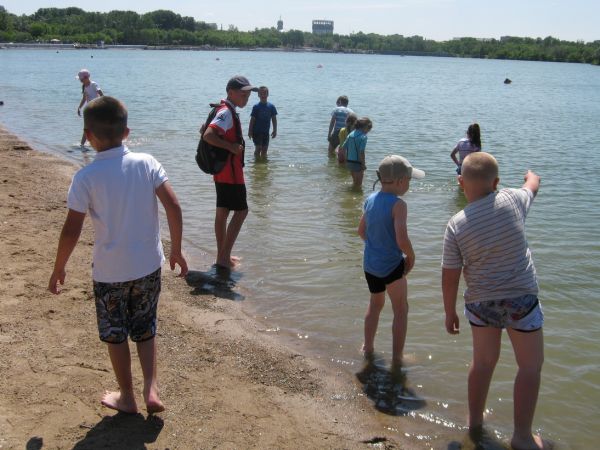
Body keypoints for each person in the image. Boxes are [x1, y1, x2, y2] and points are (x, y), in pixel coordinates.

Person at [48, 96, 188, 415]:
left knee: (115, 335)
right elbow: (174, 206)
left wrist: (59, 268)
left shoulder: (86, 177)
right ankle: (151, 388)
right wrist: (176, 249)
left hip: (110, 272)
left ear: (88, 136)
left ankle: (127, 396)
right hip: (148, 266)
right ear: (127, 132)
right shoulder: (147, 163)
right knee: (145, 328)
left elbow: (71, 230)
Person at [441, 152, 546, 450]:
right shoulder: (512, 199)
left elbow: (450, 274)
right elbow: (532, 186)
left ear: (461, 182)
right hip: (521, 301)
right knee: (529, 366)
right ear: (496, 182)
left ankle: (474, 423)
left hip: (481, 303)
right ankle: (522, 436)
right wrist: (531, 175)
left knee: (483, 363)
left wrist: (449, 312)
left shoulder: (456, 224)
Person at [358, 155, 425, 366]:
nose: (409, 185)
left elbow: (361, 231)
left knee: (375, 305)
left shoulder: (370, 199)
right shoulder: (399, 205)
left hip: (370, 265)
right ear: (400, 181)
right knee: (401, 309)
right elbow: (402, 239)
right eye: (409, 180)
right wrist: (411, 256)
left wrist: (376, 246)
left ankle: (367, 347)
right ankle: (397, 357)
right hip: (391, 266)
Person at [202, 75, 257, 268]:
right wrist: (231, 147)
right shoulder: (226, 112)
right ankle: (223, 257)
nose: (246, 97)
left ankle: (223, 255)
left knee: (223, 211)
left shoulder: (223, 109)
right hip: (230, 173)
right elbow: (208, 135)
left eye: (248, 94)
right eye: (243, 94)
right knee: (241, 211)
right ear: (231, 92)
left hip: (222, 171)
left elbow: (204, 130)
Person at [76, 69, 104, 147]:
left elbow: (101, 94)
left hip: (96, 109)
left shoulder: (93, 84)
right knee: (87, 128)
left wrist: (104, 105)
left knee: (95, 127)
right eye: (80, 79)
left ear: (86, 77)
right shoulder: (85, 86)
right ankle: (82, 145)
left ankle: (101, 143)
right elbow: (84, 98)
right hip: (89, 109)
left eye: (81, 79)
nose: (80, 81)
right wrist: (79, 107)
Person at [248, 86, 278, 158]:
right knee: (258, 148)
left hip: (266, 132)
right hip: (257, 132)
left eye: (264, 93)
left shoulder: (271, 106)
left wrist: (275, 130)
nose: (263, 95)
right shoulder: (256, 107)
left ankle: (263, 163)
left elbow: (274, 119)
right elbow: (252, 120)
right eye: (261, 93)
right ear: (258, 95)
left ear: (268, 94)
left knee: (264, 150)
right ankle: (256, 161)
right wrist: (250, 131)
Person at [342, 117, 372, 188]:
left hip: (350, 161)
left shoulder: (350, 134)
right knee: (358, 185)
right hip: (358, 162)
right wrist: (363, 164)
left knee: (354, 183)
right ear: (365, 127)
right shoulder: (363, 137)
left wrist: (346, 159)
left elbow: (343, 148)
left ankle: (350, 193)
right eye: (368, 129)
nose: (368, 132)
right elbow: (361, 152)